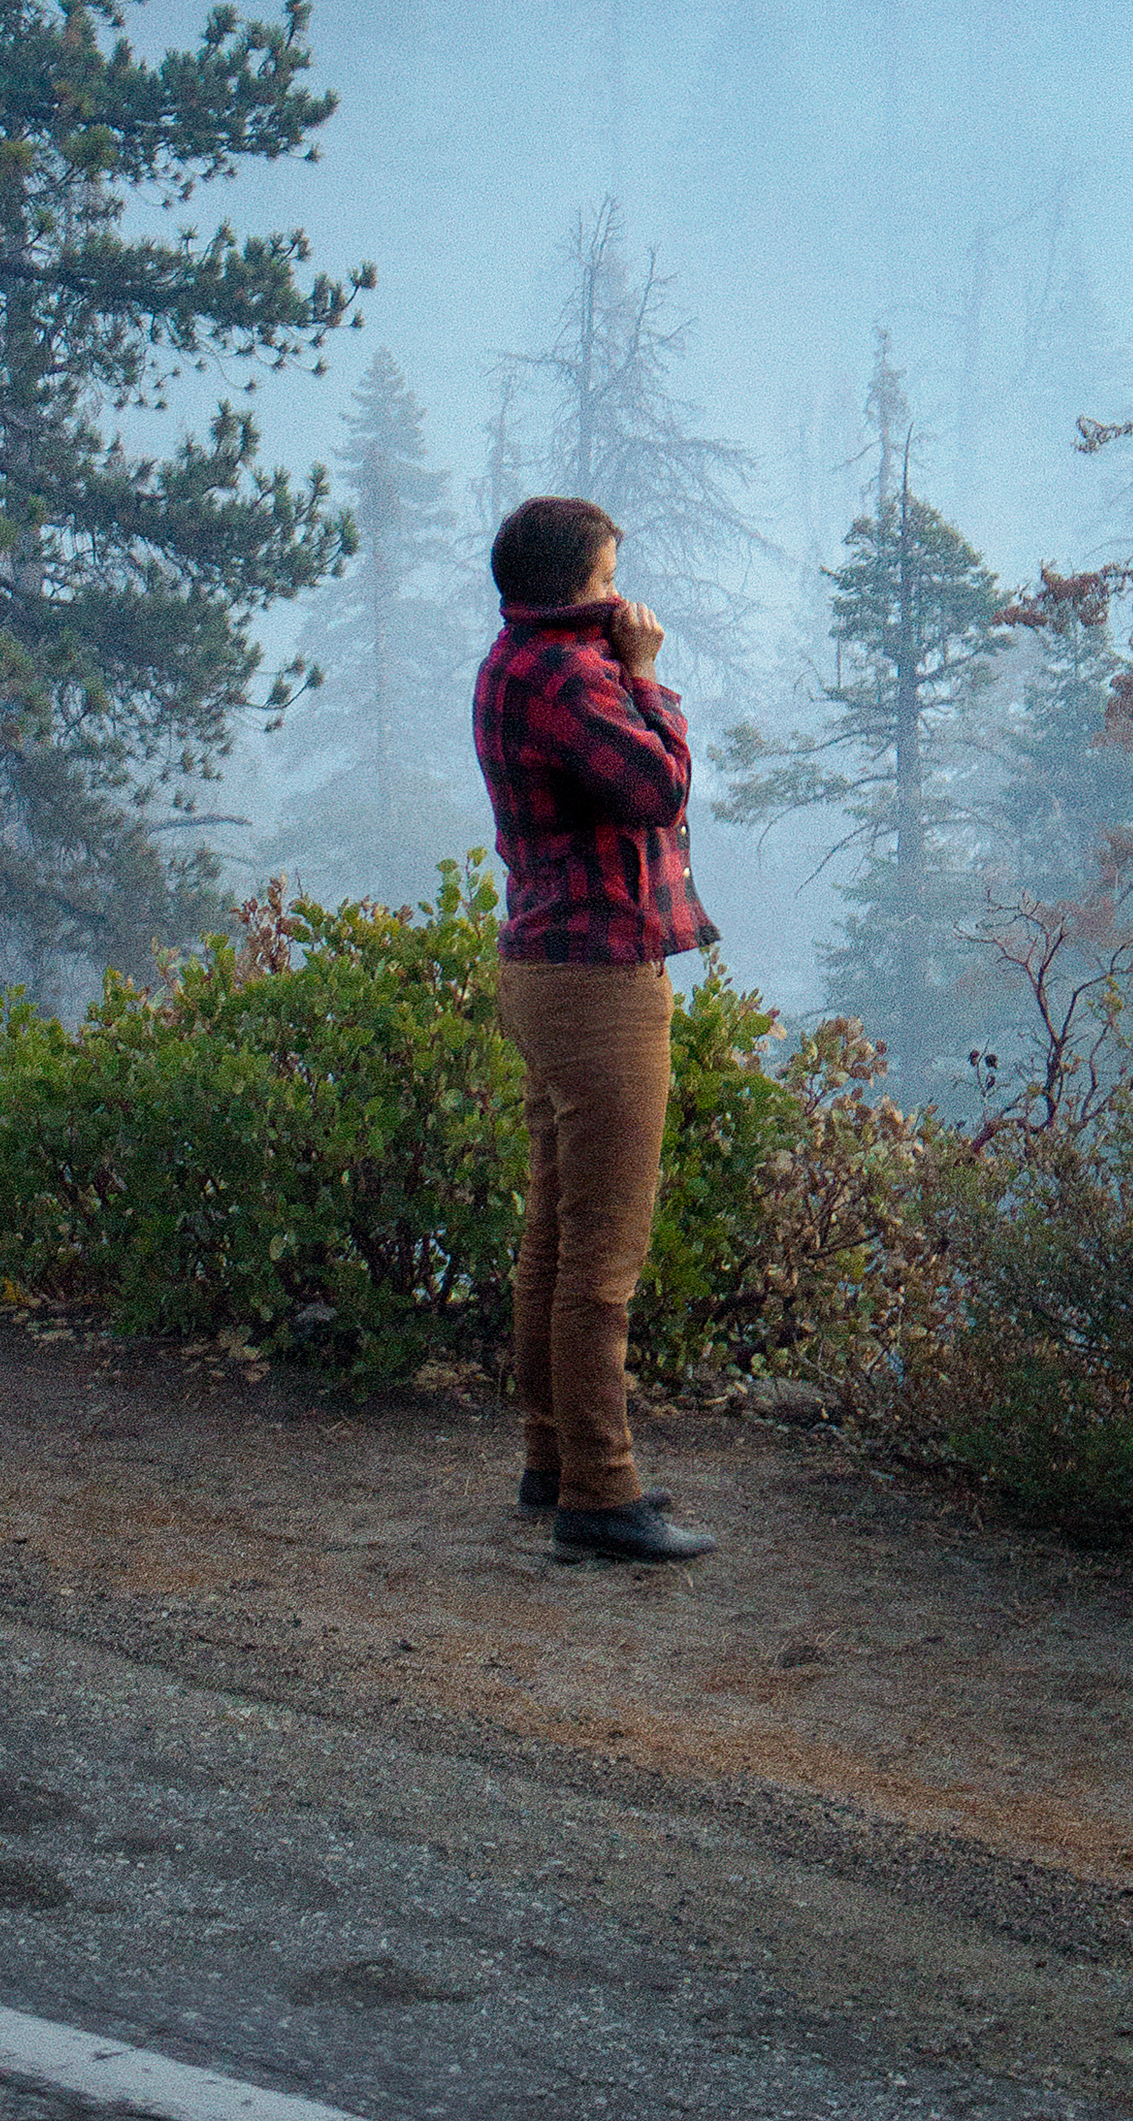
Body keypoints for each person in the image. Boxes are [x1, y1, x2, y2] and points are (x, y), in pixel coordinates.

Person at [470, 494, 717, 1565]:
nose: (622, 596)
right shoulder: (575, 678)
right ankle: (602, 1494)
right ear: (574, 583)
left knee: (555, 1234)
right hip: (599, 976)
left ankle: (553, 1458)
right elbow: (659, 787)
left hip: (540, 963)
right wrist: (647, 672)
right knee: (602, 1257)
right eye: (609, 576)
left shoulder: (512, 661)